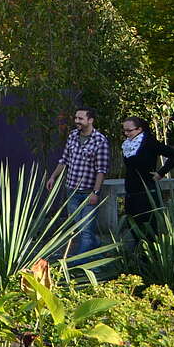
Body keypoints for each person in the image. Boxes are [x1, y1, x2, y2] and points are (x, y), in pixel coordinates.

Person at [46, 107, 110, 259]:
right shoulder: (73, 136)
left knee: (86, 230)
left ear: (90, 120)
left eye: (80, 119)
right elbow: (64, 160)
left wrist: (95, 192)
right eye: (76, 118)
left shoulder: (100, 141)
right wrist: (53, 177)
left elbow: (102, 170)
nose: (76, 121)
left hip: (88, 192)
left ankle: (80, 264)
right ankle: (98, 250)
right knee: (79, 228)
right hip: (72, 190)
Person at [119, 116, 174, 230]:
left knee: (149, 225)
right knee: (133, 224)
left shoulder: (148, 141)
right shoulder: (127, 144)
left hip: (147, 191)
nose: (126, 133)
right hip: (131, 190)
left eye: (129, 130)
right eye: (124, 131)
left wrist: (161, 173)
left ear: (139, 129)